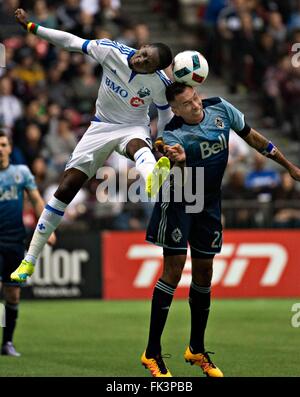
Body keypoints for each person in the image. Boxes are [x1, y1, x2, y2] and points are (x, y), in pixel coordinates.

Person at [141, 82, 300, 377]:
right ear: (175, 110)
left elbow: (253, 137)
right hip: (180, 200)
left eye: (195, 98)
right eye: (187, 104)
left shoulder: (221, 108)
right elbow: (173, 171)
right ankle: (152, 353)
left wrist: (288, 165)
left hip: (210, 203)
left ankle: (197, 349)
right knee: (173, 272)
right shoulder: (172, 134)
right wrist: (180, 162)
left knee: (204, 274)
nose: (196, 104)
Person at [11, 8, 173, 283]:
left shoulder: (159, 83)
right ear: (142, 46)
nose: (140, 58)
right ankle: (29, 260)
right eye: (143, 52)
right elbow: (71, 41)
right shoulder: (111, 51)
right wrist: (33, 27)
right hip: (100, 126)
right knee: (65, 188)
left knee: (139, 146)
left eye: (147, 62)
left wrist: (162, 140)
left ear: (154, 69)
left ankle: (152, 177)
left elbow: (166, 113)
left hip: (132, 127)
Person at [0, 131, 56, 356]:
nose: (0, 149)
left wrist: (48, 230)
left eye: (3, 144)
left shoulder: (21, 173)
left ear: (10, 148)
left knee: (13, 295)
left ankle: (7, 343)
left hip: (15, 240)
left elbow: (36, 200)